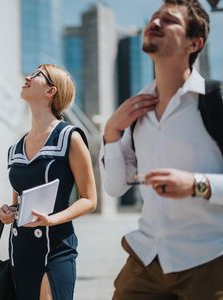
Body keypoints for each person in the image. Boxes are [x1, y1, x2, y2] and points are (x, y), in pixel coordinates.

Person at [99, 0, 223, 299]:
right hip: (146, 259)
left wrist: (196, 184)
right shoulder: (134, 112)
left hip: (210, 261)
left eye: (169, 20)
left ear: (194, 43)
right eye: (155, 17)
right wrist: (111, 132)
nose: (155, 23)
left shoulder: (215, 101)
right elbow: (115, 188)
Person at [0, 64, 97, 300]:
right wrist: (8, 211)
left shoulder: (69, 137)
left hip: (55, 250)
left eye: (36, 75)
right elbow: (18, 202)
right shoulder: (15, 148)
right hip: (20, 252)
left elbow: (89, 200)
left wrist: (51, 220)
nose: (27, 77)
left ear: (51, 90)